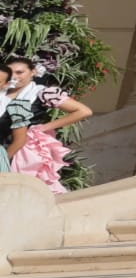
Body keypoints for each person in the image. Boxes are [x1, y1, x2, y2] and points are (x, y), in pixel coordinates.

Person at [0, 58, 91, 192]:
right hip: (3, 144)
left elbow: (83, 111)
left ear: (33, 72)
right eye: (11, 72)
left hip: (25, 148)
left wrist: (44, 127)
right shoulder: (3, 92)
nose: (14, 76)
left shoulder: (42, 92)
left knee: (24, 189)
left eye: (20, 72)